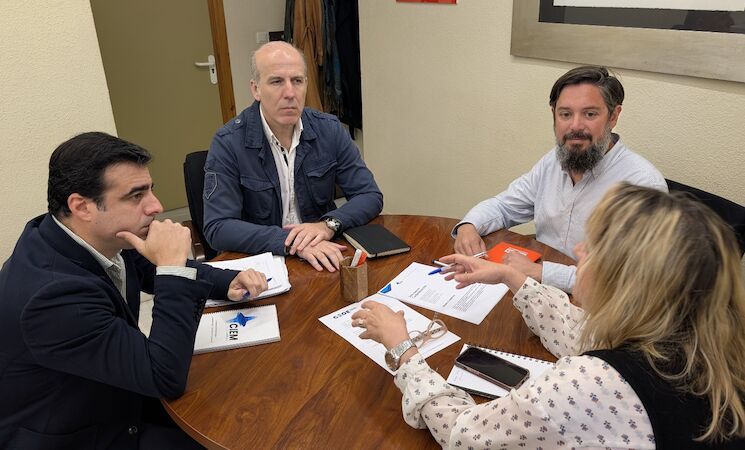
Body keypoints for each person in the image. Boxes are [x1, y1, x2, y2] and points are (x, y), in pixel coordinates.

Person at [353, 183, 745, 448]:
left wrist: (402, 349)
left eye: (593, 247)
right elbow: (580, 332)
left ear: (626, 281)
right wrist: (511, 277)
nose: (578, 251)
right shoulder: (697, 341)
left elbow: (464, 434)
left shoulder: (590, 385)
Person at [0, 132, 269, 449]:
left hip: (115, 392)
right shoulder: (51, 297)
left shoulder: (92, 233)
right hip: (85, 433)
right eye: (136, 195)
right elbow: (164, 378)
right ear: (82, 206)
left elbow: (149, 268)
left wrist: (227, 280)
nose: (156, 206)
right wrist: (174, 269)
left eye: (151, 189)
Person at [453, 65, 666, 293]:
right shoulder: (553, 161)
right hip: (535, 289)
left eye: (590, 114)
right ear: (554, 115)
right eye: (565, 114)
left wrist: (542, 272)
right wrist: (469, 226)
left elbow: (632, 279)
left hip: (593, 303)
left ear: (613, 116)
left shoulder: (643, 185)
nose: (575, 126)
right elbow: (504, 206)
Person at [203, 41, 383, 272]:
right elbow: (218, 227)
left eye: (297, 81)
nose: (290, 93)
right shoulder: (228, 142)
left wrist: (328, 225)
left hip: (322, 252)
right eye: (276, 81)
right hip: (263, 262)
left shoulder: (329, 129)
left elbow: (369, 195)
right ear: (256, 89)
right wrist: (290, 243)